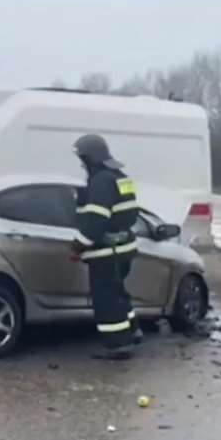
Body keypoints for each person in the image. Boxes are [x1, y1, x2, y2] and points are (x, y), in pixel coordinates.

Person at [70, 134, 141, 359]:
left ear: (90, 157)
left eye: (83, 159)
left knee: (107, 299)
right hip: (124, 247)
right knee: (118, 293)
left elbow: (96, 219)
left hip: (107, 251)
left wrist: (79, 245)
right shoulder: (119, 177)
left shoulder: (100, 181)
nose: (82, 164)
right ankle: (132, 331)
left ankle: (118, 345)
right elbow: (124, 211)